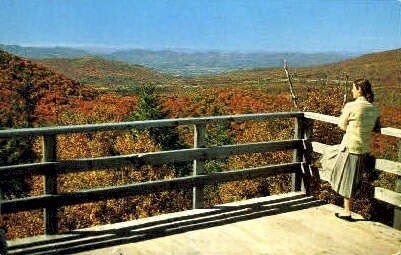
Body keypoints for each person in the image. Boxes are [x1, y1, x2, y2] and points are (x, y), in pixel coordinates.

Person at [320, 79, 380, 221]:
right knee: (351, 178)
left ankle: (347, 211)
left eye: (353, 88)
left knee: (344, 176)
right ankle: (347, 209)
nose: (352, 91)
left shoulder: (351, 106)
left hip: (349, 147)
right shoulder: (374, 109)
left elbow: (341, 125)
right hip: (363, 148)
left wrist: (351, 130)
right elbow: (376, 128)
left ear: (359, 89)